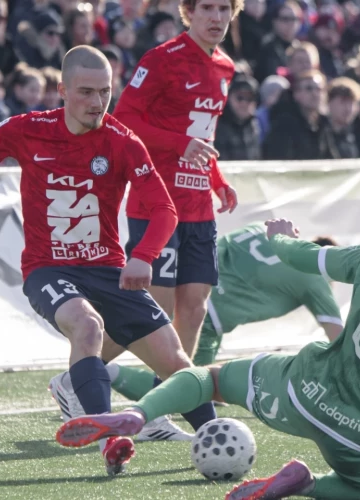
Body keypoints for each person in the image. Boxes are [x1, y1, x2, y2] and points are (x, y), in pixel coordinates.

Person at [0, 46, 218, 476]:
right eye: (86, 92)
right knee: (88, 325)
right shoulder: (28, 130)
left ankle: (216, 436)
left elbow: (164, 209)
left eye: (105, 92)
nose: (97, 103)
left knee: (177, 364)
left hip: (110, 270)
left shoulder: (122, 141)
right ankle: (111, 440)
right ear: (61, 91)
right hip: (48, 269)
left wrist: (143, 257)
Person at [57, 188, 360, 500]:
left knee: (208, 379)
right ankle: (304, 483)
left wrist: (280, 234)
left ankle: (137, 413)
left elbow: (302, 256)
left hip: (302, 390)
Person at [113, 0, 241, 371]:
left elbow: (203, 132)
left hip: (199, 205)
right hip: (157, 203)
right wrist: (178, 144)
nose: (216, 17)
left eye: (224, 8)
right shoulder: (161, 59)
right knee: (154, 312)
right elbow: (124, 120)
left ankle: (168, 395)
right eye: (207, 8)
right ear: (189, 11)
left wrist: (216, 179)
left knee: (195, 308)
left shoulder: (225, 67)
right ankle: (78, 376)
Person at [107, 223, 343, 401]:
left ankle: (93, 368)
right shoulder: (315, 277)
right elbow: (338, 340)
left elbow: (219, 245)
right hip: (205, 317)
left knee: (179, 372)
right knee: (190, 389)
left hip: (183, 286)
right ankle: (105, 373)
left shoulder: (259, 228)